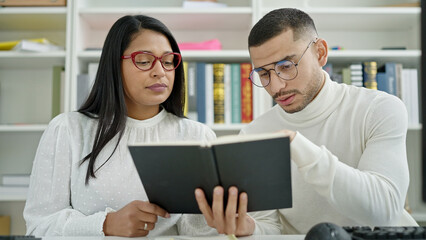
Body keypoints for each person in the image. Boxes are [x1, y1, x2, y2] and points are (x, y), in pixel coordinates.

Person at [195, 7, 418, 235]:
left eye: (286, 66)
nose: (276, 87)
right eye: (263, 73)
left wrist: (296, 145)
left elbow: (385, 212)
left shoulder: (379, 108)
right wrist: (248, 229)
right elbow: (271, 228)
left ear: (320, 53)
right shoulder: (255, 133)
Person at [23, 14, 219, 237]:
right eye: (144, 61)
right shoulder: (67, 130)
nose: (160, 71)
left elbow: (201, 233)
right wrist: (106, 225)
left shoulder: (197, 136)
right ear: (114, 65)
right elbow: (39, 226)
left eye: (167, 61)